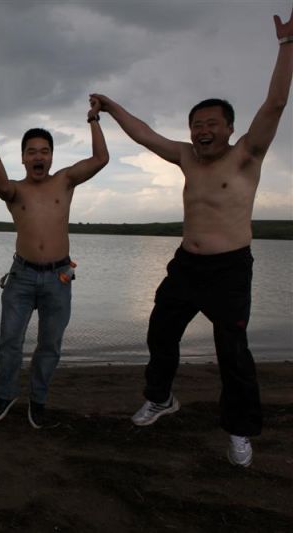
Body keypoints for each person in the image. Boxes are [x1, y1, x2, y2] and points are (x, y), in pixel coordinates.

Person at [90, 10, 292, 468]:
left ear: (230, 128)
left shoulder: (247, 155)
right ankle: (160, 397)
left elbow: (276, 104)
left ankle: (239, 431)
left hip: (230, 270)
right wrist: (111, 106)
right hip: (186, 265)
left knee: (233, 353)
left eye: (211, 123)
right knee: (160, 330)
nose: (202, 131)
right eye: (196, 124)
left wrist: (286, 46)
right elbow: (144, 135)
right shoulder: (185, 157)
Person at [0, 99, 109, 429]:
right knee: (9, 342)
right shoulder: (16, 190)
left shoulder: (64, 180)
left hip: (59, 277)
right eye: (32, 152)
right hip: (21, 276)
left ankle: (38, 400)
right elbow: (0, 184)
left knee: (49, 345)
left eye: (44, 151)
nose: (38, 157)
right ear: (23, 157)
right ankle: (6, 394)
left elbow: (100, 159)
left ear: (52, 156)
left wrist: (94, 119)